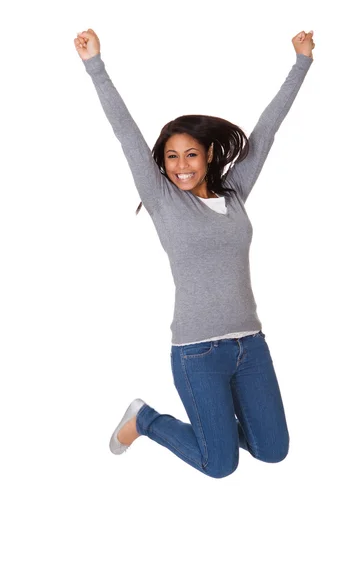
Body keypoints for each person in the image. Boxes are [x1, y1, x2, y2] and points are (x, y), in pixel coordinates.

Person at [74, 27, 315, 478]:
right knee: (218, 463)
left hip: (250, 346)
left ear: (207, 156)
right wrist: (96, 66)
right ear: (162, 163)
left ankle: (216, 426)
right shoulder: (164, 201)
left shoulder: (236, 193)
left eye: (190, 155)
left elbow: (266, 131)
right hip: (197, 350)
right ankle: (146, 420)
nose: (180, 166)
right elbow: (126, 135)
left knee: (273, 450)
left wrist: (300, 63)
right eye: (171, 157)